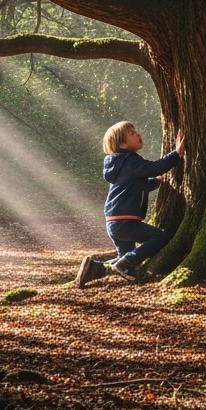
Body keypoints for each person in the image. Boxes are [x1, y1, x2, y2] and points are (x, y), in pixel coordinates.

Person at [75, 121, 184, 286]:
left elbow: (139, 185)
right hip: (126, 221)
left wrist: (156, 181)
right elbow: (154, 167)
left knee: (126, 259)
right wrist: (176, 154)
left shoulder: (119, 165)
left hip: (113, 222)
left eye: (136, 131)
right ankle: (124, 263)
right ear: (122, 144)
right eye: (132, 133)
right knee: (159, 237)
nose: (138, 134)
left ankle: (93, 269)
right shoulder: (130, 161)